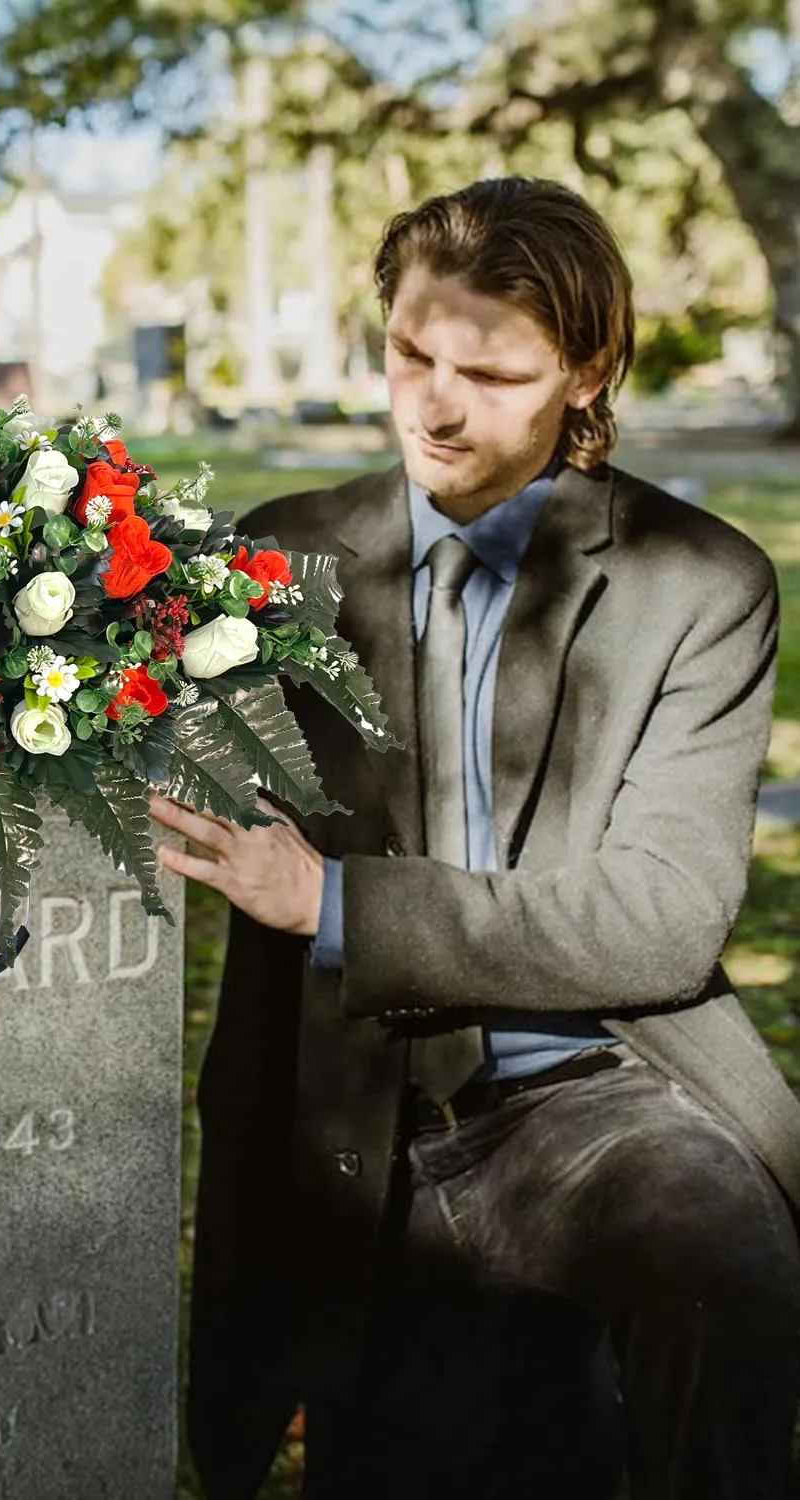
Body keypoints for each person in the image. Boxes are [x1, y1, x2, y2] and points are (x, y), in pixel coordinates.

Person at [149, 176, 800, 1500]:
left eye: (491, 373)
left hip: (600, 1085)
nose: (433, 406)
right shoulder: (280, 560)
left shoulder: (702, 586)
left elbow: (660, 916)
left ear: (585, 369)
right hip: (357, 1103)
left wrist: (337, 905)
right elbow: (159, 767)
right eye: (409, 354)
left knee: (721, 1265)